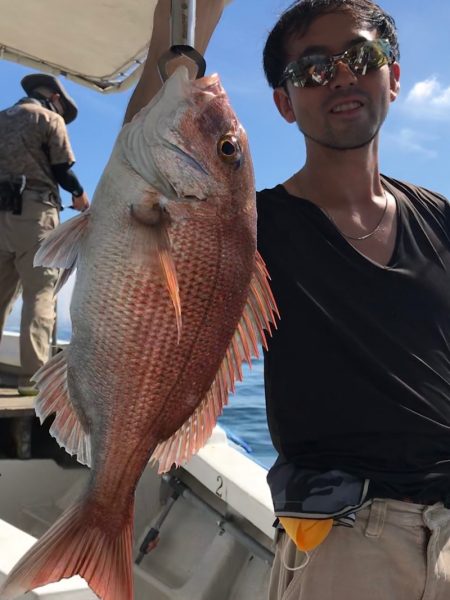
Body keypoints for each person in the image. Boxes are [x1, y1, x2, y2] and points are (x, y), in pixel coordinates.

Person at [125, 1, 450, 598]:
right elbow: (142, 164)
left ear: (394, 77)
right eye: (312, 70)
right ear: (283, 102)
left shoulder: (441, 218)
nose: (342, 77)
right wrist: (173, 38)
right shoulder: (248, 225)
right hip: (346, 542)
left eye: (361, 57)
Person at [0, 73, 89, 396]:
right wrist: (80, 195)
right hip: (35, 214)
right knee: (40, 293)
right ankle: (32, 381)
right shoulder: (48, 118)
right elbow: (62, 169)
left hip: (0, 215)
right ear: (54, 98)